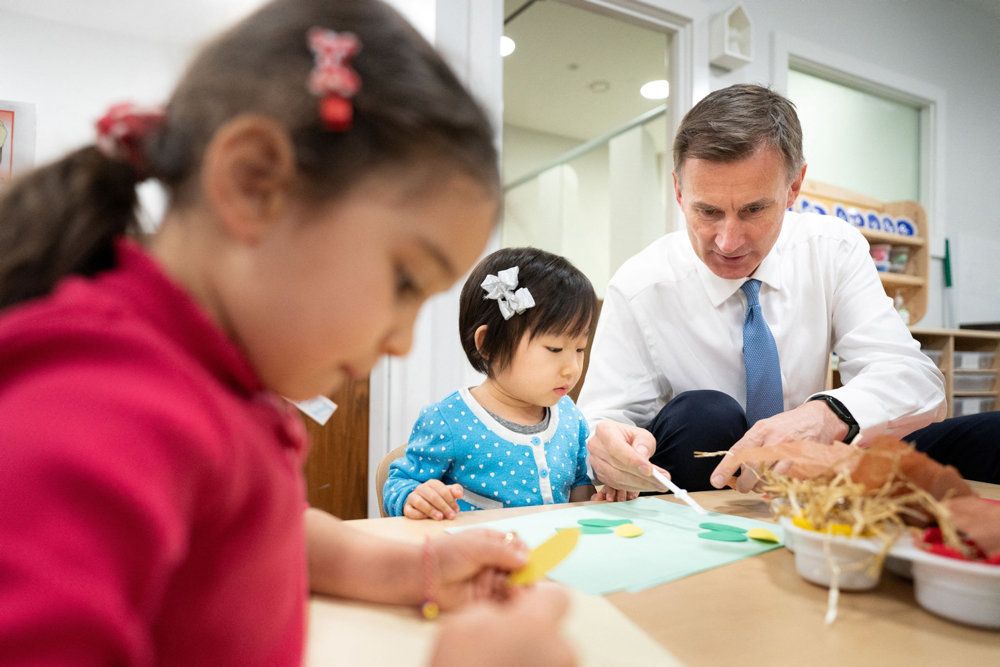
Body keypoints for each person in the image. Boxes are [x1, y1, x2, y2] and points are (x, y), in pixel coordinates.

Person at [0, 1, 575, 664]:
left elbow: (256, 526)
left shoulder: (202, 377)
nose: (403, 343)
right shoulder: (99, 409)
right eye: (404, 281)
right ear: (252, 183)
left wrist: (411, 567)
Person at [578, 83, 1000, 496]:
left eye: (754, 210)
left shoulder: (833, 248)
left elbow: (917, 381)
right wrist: (606, 446)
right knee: (707, 414)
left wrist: (826, 414)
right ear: (678, 190)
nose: (728, 241)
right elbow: (601, 420)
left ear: (794, 187)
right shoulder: (639, 286)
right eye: (707, 211)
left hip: (812, 479)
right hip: (693, 482)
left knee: (989, 435)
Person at [383, 246, 600, 519]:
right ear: (489, 345)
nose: (572, 368)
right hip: (478, 557)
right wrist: (413, 497)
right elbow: (400, 483)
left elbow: (578, 485)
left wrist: (602, 498)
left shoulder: (570, 417)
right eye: (555, 349)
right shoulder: (450, 421)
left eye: (580, 349)